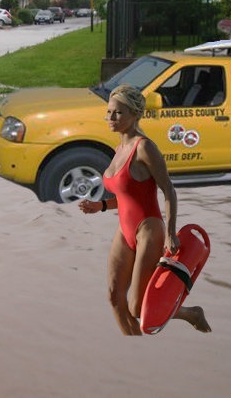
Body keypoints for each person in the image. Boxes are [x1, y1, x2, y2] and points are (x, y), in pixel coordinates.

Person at [78, 84, 211, 336]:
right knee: (114, 296)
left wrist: (171, 233)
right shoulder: (119, 150)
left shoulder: (144, 148)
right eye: (109, 112)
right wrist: (101, 205)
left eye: (118, 113)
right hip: (125, 230)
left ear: (135, 114)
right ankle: (132, 350)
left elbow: (168, 190)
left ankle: (191, 313)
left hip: (148, 229)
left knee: (138, 309)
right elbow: (128, 195)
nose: (111, 118)